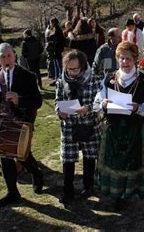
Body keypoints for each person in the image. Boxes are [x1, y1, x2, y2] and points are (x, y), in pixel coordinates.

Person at [93, 41, 144, 210]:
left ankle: (130, 192)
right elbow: (97, 102)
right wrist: (104, 103)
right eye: (121, 58)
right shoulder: (109, 78)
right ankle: (116, 194)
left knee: (132, 163)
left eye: (128, 58)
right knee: (114, 162)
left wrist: (137, 107)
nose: (124, 62)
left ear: (135, 59)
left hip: (135, 129)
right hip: (113, 129)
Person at [0, 43, 44, 208]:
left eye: (9, 56)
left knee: (22, 154)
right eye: (2, 57)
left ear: (15, 55)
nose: (6, 59)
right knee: (4, 155)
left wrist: (19, 100)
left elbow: (37, 102)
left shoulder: (27, 75)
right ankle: (13, 192)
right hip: (1, 123)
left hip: (21, 120)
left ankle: (36, 173)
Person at [55, 50, 102, 205]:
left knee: (89, 158)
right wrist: (59, 112)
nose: (73, 73)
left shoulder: (94, 80)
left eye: (76, 69)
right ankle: (68, 192)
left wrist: (87, 109)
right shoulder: (61, 81)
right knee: (68, 160)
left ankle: (88, 187)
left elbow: (100, 104)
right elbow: (58, 101)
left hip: (89, 124)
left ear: (82, 66)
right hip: (69, 126)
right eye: (70, 69)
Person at [46, 18, 66, 86]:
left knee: (59, 66)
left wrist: (51, 43)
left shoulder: (58, 30)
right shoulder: (55, 30)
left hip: (58, 50)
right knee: (56, 66)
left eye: (51, 23)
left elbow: (59, 41)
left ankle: (60, 80)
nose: (50, 24)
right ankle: (57, 79)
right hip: (55, 51)